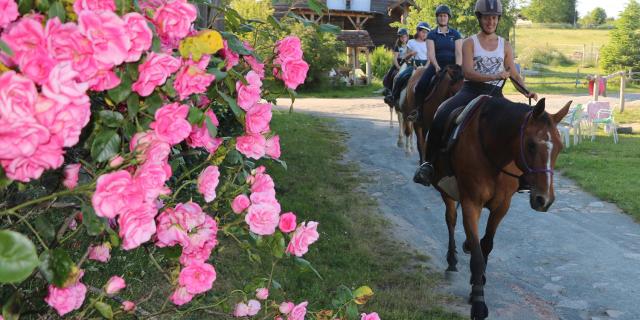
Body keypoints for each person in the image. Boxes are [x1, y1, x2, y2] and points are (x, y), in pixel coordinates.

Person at [413, 0, 538, 187]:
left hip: (495, 94)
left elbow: (513, 73)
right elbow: (468, 72)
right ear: (479, 18)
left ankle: (524, 175)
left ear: (498, 20)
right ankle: (428, 164)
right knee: (441, 113)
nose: (491, 22)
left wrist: (526, 91)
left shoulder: (505, 45)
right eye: (487, 18)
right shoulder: (469, 42)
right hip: (470, 91)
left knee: (517, 125)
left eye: (494, 18)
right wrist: (495, 74)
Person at [408, 5, 462, 121]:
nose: (443, 18)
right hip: (436, 66)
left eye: (445, 16)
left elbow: (458, 53)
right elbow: (431, 53)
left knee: (466, 85)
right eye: (440, 16)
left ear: (448, 18)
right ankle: (418, 111)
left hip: (453, 67)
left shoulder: (456, 34)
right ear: (437, 18)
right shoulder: (432, 34)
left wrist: (458, 67)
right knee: (421, 84)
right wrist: (437, 66)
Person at [389, 22, 430, 106]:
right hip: (413, 65)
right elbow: (405, 57)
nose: (425, 34)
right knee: (400, 77)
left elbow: (430, 58)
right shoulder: (411, 42)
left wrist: (425, 67)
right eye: (423, 32)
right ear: (418, 31)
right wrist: (411, 54)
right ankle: (394, 97)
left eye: (426, 32)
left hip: (426, 66)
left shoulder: (429, 43)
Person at [383, 28, 409, 100]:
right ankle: (388, 89)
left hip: (407, 62)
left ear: (407, 37)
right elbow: (395, 58)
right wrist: (398, 67)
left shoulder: (410, 45)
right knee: (391, 73)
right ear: (399, 38)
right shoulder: (397, 47)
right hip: (399, 62)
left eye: (405, 37)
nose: (403, 39)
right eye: (401, 37)